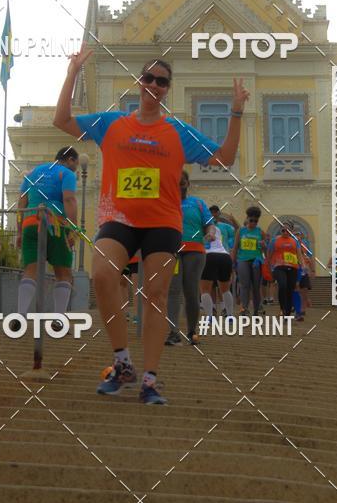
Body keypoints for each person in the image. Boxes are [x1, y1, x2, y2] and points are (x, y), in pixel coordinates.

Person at [54, 49, 249, 404]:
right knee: (101, 276)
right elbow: (63, 120)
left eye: (162, 81)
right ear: (139, 82)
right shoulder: (112, 124)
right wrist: (72, 73)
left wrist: (236, 111)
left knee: (156, 296)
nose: (154, 85)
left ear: (167, 89)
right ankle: (123, 363)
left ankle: (149, 379)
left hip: (162, 222)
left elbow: (225, 157)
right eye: (149, 78)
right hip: (119, 219)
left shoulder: (177, 131)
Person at [16, 147, 79, 330]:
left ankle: (20, 316)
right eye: (75, 163)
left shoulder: (35, 172)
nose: (75, 168)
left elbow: (22, 202)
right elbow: (69, 200)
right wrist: (72, 228)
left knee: (31, 270)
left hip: (30, 222)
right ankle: (58, 320)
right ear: (69, 159)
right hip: (55, 224)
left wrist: (20, 231)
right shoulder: (66, 173)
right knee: (63, 273)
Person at [166, 171, 215, 346]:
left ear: (188, 184)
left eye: (182, 183)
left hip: (194, 251)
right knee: (173, 290)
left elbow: (209, 224)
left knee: (191, 291)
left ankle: (192, 331)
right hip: (173, 251)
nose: (180, 186)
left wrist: (210, 233)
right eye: (176, 183)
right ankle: (173, 332)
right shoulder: (166, 203)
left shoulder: (198, 203)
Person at [200, 223, 235, 326]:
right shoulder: (216, 228)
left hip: (209, 256)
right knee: (225, 290)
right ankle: (229, 316)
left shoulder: (199, 228)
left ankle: (210, 317)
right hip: (224, 256)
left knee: (205, 290)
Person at [233, 206, 265, 315]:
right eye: (251, 220)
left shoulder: (260, 232)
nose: (253, 223)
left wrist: (264, 245)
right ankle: (244, 308)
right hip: (242, 260)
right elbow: (235, 247)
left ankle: (256, 310)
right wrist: (233, 261)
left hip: (256, 261)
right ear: (247, 219)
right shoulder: (241, 231)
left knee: (256, 287)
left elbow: (265, 249)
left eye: (256, 221)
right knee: (244, 285)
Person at [268, 221, 304, 316]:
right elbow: (269, 255)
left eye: (287, 230)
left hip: (293, 267)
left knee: (290, 289)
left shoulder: (294, 241)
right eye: (283, 230)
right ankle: (282, 308)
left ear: (291, 231)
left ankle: (287, 313)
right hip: (279, 267)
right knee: (283, 285)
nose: (285, 232)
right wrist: (268, 267)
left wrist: (303, 266)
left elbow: (299, 255)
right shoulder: (274, 240)